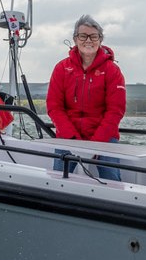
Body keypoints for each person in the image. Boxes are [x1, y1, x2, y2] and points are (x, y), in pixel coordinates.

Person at [46, 14, 126, 181]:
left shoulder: (112, 70)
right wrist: (73, 139)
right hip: (68, 136)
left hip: (103, 137)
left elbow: (115, 110)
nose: (88, 40)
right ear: (75, 39)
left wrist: (96, 144)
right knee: (58, 180)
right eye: (83, 36)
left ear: (100, 40)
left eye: (94, 36)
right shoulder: (62, 68)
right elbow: (54, 107)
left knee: (112, 181)